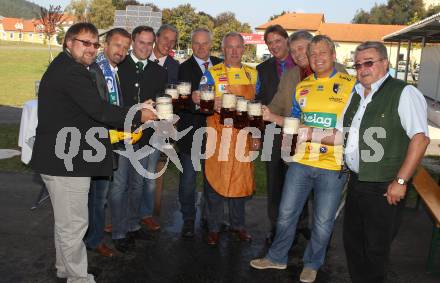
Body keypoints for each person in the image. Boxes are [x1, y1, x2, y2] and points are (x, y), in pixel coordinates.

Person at [30, 22, 155, 283]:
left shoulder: (68, 67)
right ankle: (78, 277)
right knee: (74, 224)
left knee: (66, 223)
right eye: (84, 42)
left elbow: (91, 111)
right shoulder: (73, 72)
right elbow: (99, 109)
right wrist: (138, 115)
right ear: (68, 42)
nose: (90, 48)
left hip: (61, 157)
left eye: (94, 44)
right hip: (66, 161)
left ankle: (65, 268)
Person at [250, 35, 356, 283]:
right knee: (286, 213)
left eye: (322, 53)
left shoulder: (352, 86)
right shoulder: (302, 87)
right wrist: (271, 117)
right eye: (313, 54)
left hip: (332, 166)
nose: (317, 58)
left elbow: (352, 131)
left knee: (321, 221)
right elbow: (295, 124)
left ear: (333, 55)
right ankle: (276, 257)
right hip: (300, 162)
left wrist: (316, 135)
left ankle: (312, 263)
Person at [342, 41, 429, 283]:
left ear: (384, 63)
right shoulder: (357, 93)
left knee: (376, 249)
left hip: (384, 186)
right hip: (357, 181)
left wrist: (401, 181)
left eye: (368, 62)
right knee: (353, 244)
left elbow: (420, 140)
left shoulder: (403, 92)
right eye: (358, 64)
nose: (362, 68)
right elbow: (344, 134)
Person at [194, 32, 258, 245]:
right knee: (214, 181)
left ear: (244, 49)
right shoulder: (211, 73)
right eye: (229, 47)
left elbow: (258, 109)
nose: (234, 51)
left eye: (238, 47)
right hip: (217, 136)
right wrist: (211, 103)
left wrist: (257, 135)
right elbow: (201, 103)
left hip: (242, 138)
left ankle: (238, 226)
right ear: (223, 49)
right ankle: (213, 227)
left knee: (239, 183)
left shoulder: (253, 75)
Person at [108, 25, 168, 253]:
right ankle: (119, 231)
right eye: (141, 42)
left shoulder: (159, 71)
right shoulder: (118, 67)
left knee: (138, 184)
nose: (145, 47)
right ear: (133, 41)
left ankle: (133, 225)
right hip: (121, 135)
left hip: (147, 137)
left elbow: (162, 104)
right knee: (119, 186)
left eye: (149, 43)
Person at [84, 28, 132, 258]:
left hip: (108, 140)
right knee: (98, 196)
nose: (121, 51)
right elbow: (99, 110)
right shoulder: (97, 71)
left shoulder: (112, 70)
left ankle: (92, 237)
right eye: (117, 45)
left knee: (97, 195)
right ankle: (93, 240)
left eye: (125, 47)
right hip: (98, 143)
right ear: (106, 45)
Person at [176, 28, 222, 238]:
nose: (201, 47)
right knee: (188, 181)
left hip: (215, 134)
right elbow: (181, 103)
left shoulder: (221, 66)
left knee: (211, 180)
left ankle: (209, 218)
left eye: (205, 43)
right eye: (197, 43)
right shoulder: (183, 69)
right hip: (191, 133)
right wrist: (198, 104)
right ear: (192, 45)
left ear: (211, 44)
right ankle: (188, 218)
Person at [255, 24, 295, 243]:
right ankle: (276, 227)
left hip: (297, 134)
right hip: (271, 133)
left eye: (277, 41)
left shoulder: (301, 65)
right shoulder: (262, 69)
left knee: (298, 181)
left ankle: (300, 225)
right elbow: (258, 100)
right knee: (274, 182)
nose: (274, 46)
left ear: (287, 41)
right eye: (270, 43)